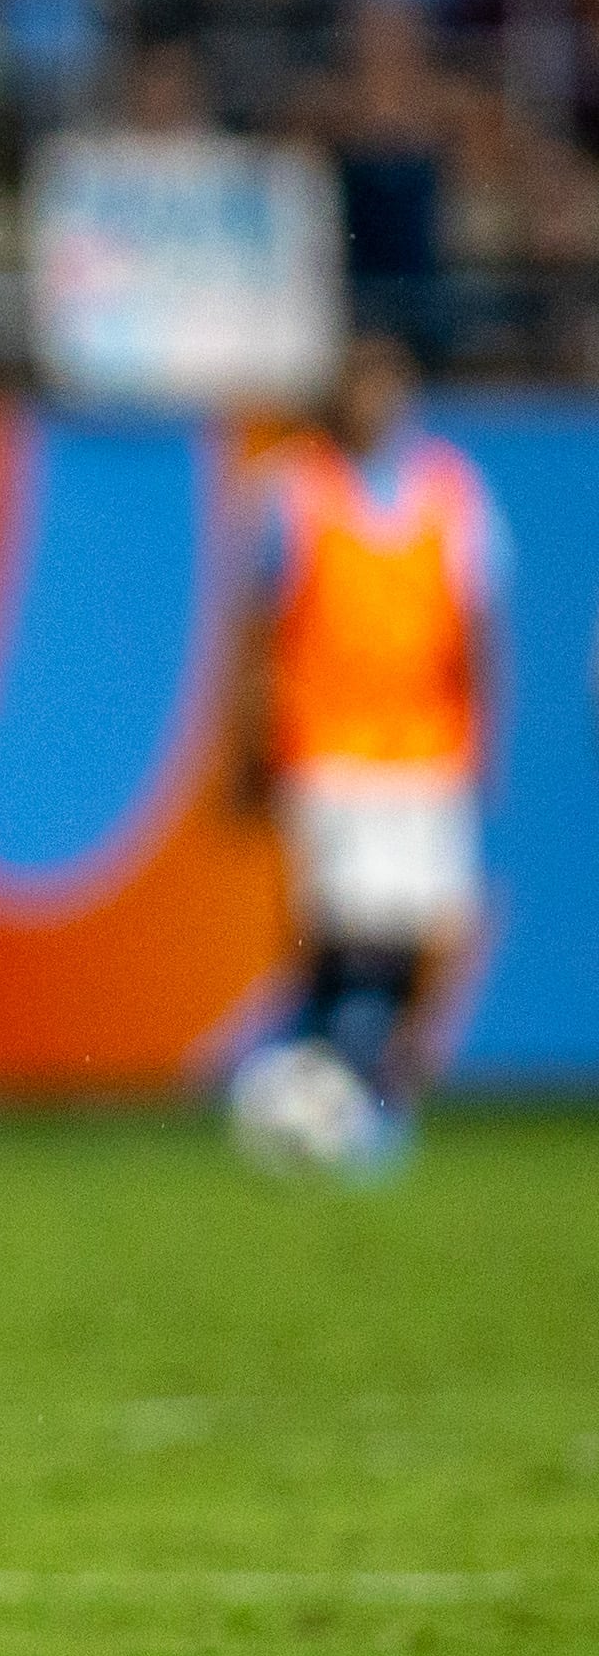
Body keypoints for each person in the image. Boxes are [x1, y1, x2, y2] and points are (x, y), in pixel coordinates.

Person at [235, 331, 507, 1136]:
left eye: (386, 385)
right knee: (346, 924)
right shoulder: (293, 488)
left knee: (439, 927)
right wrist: (252, 739)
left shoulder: (453, 491)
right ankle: (335, 1082)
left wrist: (483, 728)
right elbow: (258, 629)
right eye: (359, 385)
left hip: (429, 741)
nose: (372, 402)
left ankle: (390, 1077)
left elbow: (480, 618)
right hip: (332, 740)